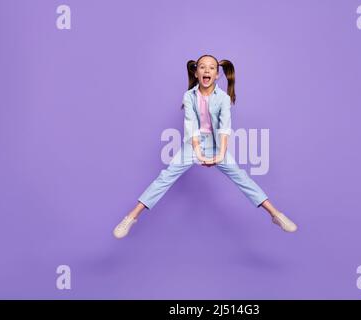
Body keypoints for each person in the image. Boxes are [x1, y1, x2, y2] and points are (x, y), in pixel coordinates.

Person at [113, 54, 297, 238]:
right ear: (196, 72)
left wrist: (221, 153)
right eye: (202, 67)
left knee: (241, 177)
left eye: (211, 68)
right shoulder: (188, 96)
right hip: (194, 143)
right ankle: (131, 217)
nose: (206, 70)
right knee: (165, 177)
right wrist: (198, 153)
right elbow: (190, 124)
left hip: (217, 144)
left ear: (217, 75)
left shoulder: (223, 98)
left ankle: (275, 214)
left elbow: (225, 127)